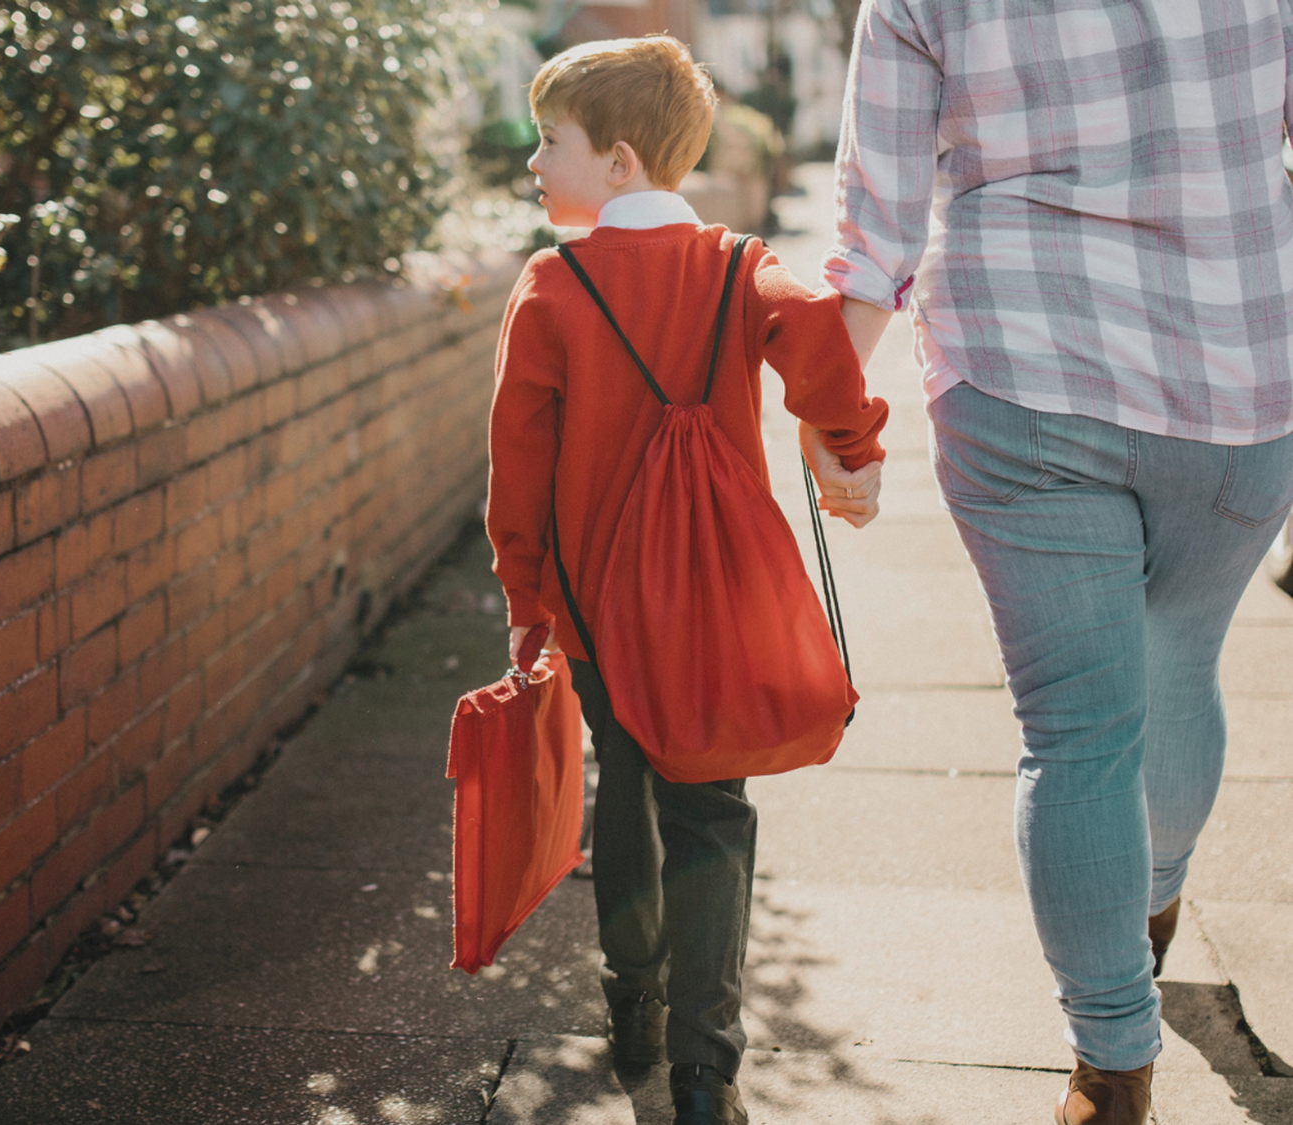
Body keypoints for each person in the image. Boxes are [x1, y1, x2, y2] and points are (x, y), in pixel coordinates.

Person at [826, 2, 1293, 1122]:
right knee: (1178, 662)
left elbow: (877, 223)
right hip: (1240, 368)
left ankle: (1112, 1067)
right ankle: (1152, 903)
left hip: (1024, 368)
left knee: (1080, 732)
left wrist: (834, 413)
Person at [485, 35, 889, 1125]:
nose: (534, 163)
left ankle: (635, 1006)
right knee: (714, 810)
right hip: (715, 604)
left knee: (627, 794)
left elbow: (518, 457)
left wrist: (526, 597)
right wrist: (853, 444)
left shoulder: (553, 284)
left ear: (619, 161)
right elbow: (816, 339)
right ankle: (709, 1067)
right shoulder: (735, 263)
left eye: (549, 142)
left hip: (597, 607)